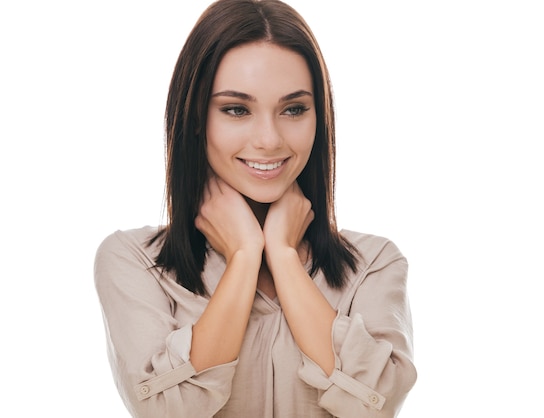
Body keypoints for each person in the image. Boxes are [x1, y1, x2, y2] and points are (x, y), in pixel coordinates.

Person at [94, 0, 417, 416]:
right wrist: (245, 256)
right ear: (195, 118)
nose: (268, 139)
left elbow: (377, 405)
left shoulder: (373, 264)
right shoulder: (135, 262)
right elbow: (166, 410)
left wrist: (283, 258)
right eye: (236, 109)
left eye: (294, 109)